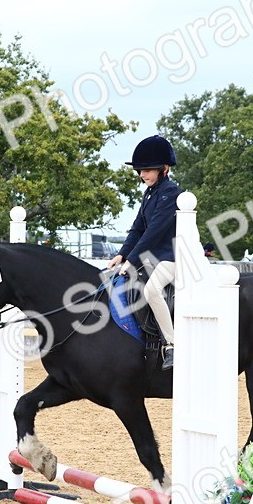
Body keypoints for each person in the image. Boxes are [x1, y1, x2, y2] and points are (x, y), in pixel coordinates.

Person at [107, 134, 183, 369]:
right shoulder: (149, 194)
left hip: (174, 258)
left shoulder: (171, 192)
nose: (142, 175)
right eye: (140, 170)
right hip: (153, 260)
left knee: (151, 290)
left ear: (164, 168)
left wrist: (131, 260)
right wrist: (122, 254)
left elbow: (153, 233)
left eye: (147, 170)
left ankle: (172, 345)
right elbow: (138, 228)